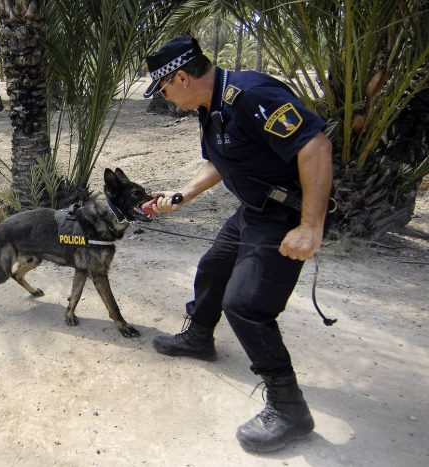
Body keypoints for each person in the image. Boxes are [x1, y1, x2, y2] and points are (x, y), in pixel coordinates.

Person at [142, 35, 333, 453]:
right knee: (214, 267)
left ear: (181, 77)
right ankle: (199, 337)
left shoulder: (252, 96)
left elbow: (315, 146)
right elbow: (222, 159)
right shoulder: (211, 107)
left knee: (245, 305)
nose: (164, 97)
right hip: (253, 210)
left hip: (284, 217)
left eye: (163, 88)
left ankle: (289, 407)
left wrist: (310, 226)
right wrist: (182, 194)